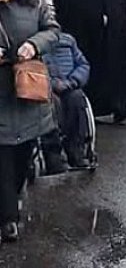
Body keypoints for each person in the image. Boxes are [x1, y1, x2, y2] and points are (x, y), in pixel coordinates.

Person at [0, 0, 59, 243]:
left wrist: (34, 45)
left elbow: (53, 30)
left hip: (26, 92)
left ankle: (13, 198)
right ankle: (7, 218)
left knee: (23, 154)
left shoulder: (32, 1)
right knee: (3, 157)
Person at [43, 31, 91, 168]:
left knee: (77, 100)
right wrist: (52, 83)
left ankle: (76, 150)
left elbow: (83, 65)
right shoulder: (36, 45)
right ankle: (54, 155)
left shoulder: (68, 40)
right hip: (47, 88)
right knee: (52, 104)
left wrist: (72, 81)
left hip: (70, 84)